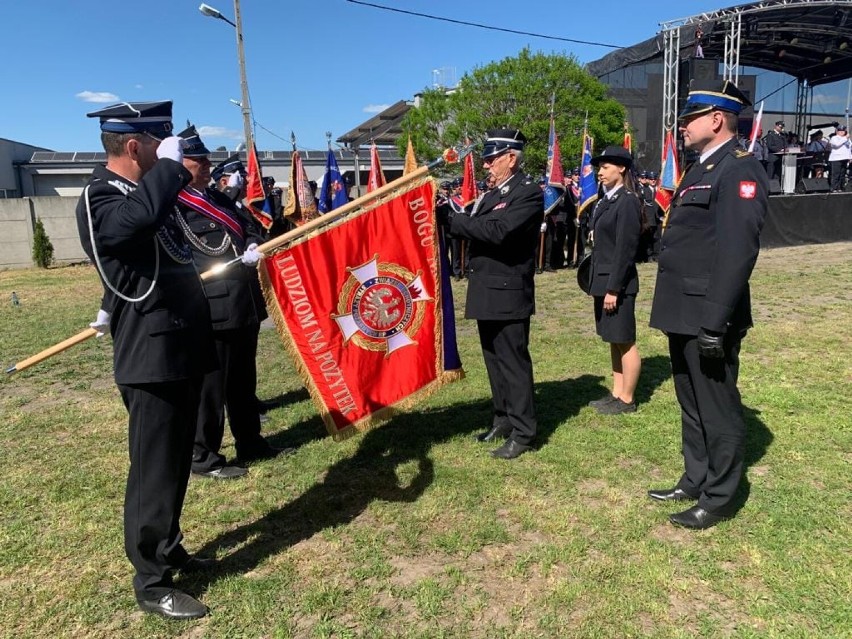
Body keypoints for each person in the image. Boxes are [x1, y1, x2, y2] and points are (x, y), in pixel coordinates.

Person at [75, 101, 216, 619]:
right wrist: (176, 168)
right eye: (160, 143)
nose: (167, 152)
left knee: (176, 460)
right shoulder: (100, 196)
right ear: (134, 146)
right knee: (153, 469)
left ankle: (168, 545)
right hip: (150, 352)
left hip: (179, 342)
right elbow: (130, 226)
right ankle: (151, 580)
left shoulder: (142, 192)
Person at [648, 80, 768, 530]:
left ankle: (719, 497)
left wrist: (716, 322)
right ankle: (695, 477)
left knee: (716, 406)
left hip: (708, 314)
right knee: (691, 401)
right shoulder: (700, 168)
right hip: (683, 308)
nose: (682, 126)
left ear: (716, 120)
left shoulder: (738, 169)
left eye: (689, 118)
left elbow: (738, 252)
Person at [175, 127, 283, 479]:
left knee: (242, 380)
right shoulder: (174, 206)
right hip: (212, 308)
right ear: (179, 163)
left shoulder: (219, 199)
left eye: (208, 160)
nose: (208, 166)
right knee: (211, 388)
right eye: (199, 160)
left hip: (244, 303)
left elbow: (249, 228)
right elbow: (180, 257)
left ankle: (250, 441)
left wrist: (252, 244)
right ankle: (204, 456)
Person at [440, 129, 543, 459]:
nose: (485, 166)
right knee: (494, 361)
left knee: (513, 363)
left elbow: (499, 232)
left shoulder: (527, 193)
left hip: (509, 291)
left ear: (510, 158)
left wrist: (453, 222)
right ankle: (503, 419)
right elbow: (478, 225)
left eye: (490, 159)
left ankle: (524, 430)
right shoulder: (490, 194)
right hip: (486, 289)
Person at [585, 146, 643, 415]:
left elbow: (625, 249)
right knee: (612, 338)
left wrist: (613, 288)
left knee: (624, 339)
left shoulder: (627, 201)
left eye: (605, 166)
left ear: (621, 168)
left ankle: (627, 399)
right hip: (603, 280)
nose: (600, 172)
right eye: (599, 167)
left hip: (617, 284)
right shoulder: (605, 199)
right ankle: (616, 392)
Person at [827, 124, 851, 192]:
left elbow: (849, 148)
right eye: (840, 130)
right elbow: (837, 145)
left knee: (842, 174)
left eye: (843, 131)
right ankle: (834, 188)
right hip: (836, 158)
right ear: (837, 131)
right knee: (836, 174)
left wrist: (850, 157)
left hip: (844, 158)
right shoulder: (834, 138)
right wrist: (845, 138)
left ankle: (840, 187)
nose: (842, 132)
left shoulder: (847, 139)